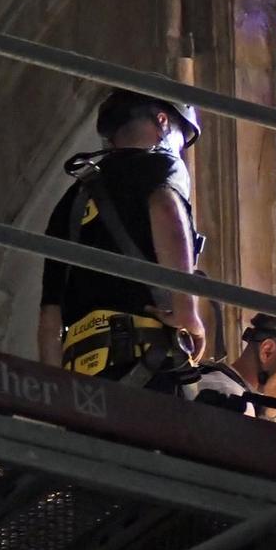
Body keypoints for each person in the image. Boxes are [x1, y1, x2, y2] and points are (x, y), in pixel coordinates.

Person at [38, 88, 206, 384]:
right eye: (181, 140)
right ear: (163, 122)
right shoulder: (162, 165)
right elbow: (166, 209)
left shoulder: (69, 201)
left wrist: (55, 388)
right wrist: (187, 312)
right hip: (144, 360)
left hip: (81, 375)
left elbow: (50, 314)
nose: (179, 152)